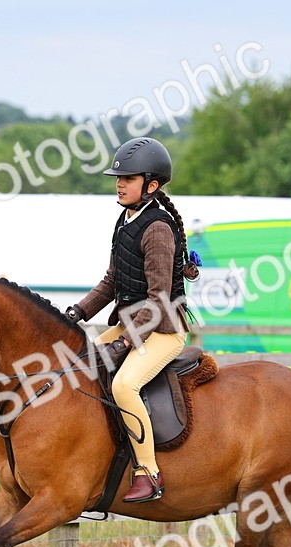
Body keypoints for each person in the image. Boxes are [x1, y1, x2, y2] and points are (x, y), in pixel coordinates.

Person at [64, 137, 196, 503]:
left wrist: (124, 342)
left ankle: (149, 473)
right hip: (131, 324)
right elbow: (112, 281)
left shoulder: (157, 229)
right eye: (118, 178)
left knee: (124, 386)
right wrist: (77, 313)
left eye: (128, 178)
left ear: (151, 185)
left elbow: (158, 300)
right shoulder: (125, 219)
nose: (119, 184)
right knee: (79, 366)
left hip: (163, 331)